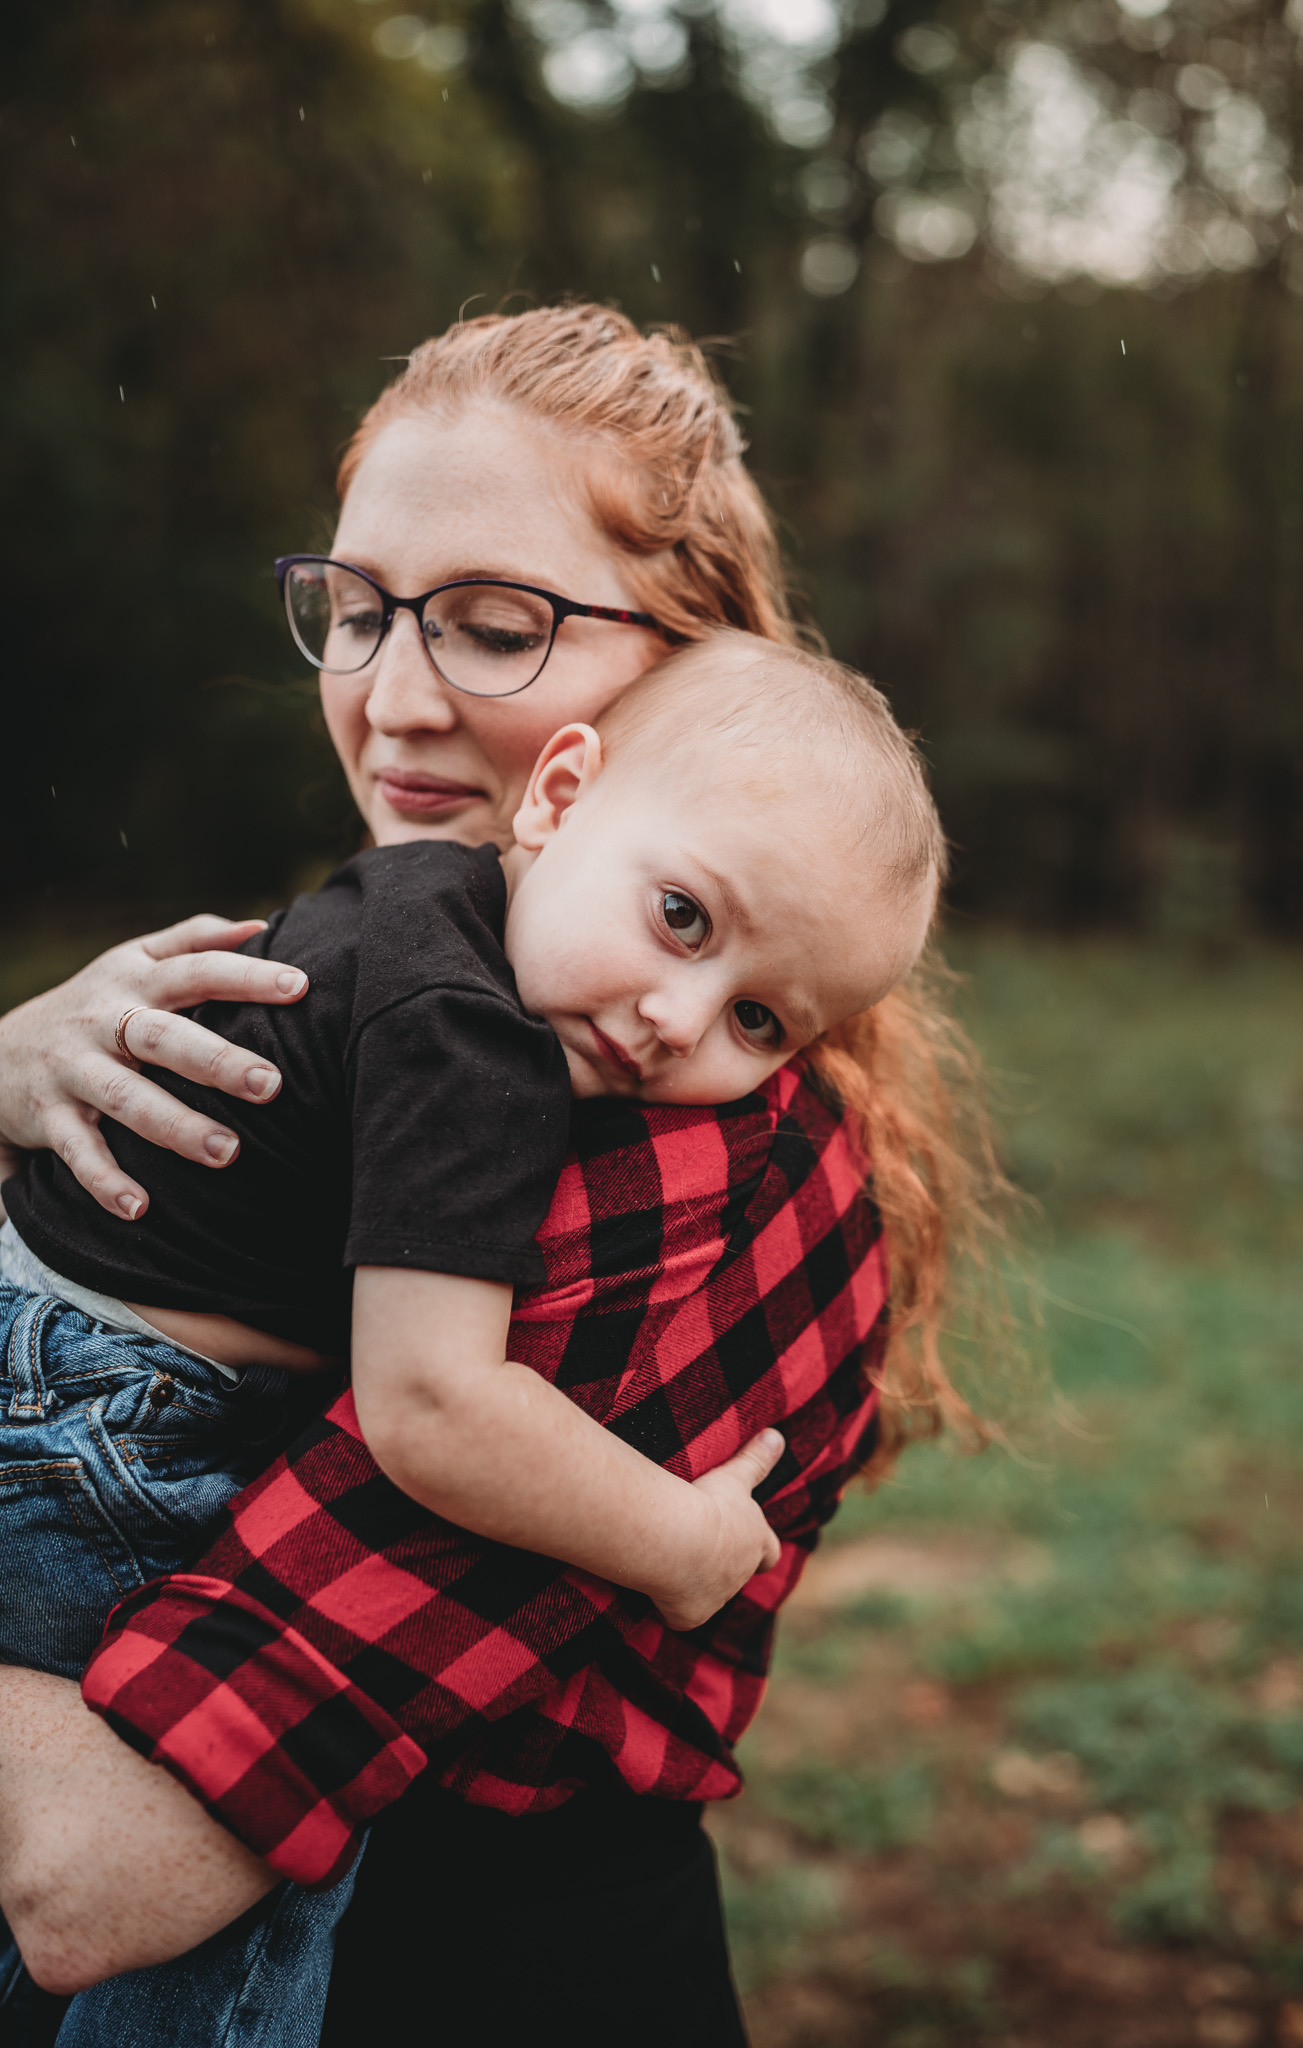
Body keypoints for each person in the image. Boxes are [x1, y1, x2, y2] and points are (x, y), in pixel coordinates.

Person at [0, 306, 1005, 2047]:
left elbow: (93, 1870)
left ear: (683, 660)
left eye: (493, 623)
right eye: (363, 607)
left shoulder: (695, 1182)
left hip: (481, 1970)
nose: (391, 698)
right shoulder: (438, 971)